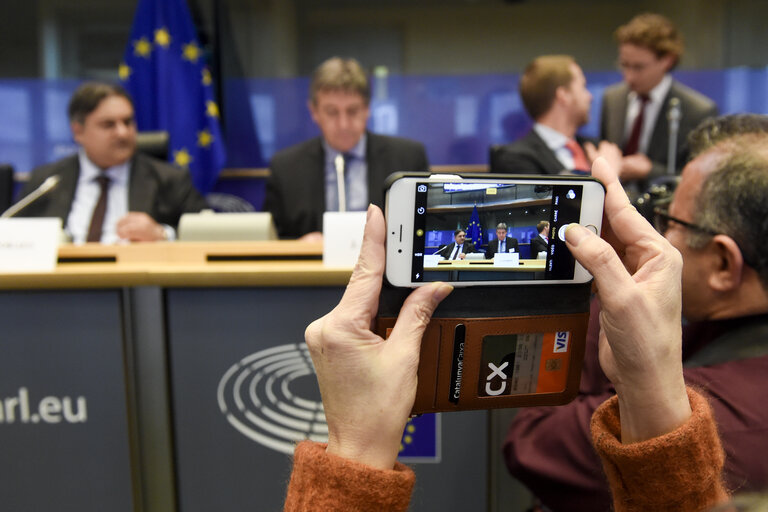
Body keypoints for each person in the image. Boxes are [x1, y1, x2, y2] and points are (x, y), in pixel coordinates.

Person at [283, 156, 730, 511]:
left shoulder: (523, 245)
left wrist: (353, 454)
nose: (499, 231)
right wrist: (655, 393)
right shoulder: (465, 242)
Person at [505, 114, 768, 511]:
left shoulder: (699, 409)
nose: (658, 235)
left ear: (722, 264)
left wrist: (608, 287)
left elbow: (533, 443)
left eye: (672, 222)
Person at [17, 82, 207, 243]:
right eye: (108, 125)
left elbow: (208, 233)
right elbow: (12, 236)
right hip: (59, 282)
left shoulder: (169, 179)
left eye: (127, 122)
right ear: (78, 132)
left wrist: (162, 234)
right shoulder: (47, 181)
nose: (123, 133)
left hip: (137, 280)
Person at [265, 57, 429, 240]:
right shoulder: (286, 167)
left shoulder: (407, 159)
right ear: (314, 112)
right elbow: (271, 240)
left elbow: (423, 232)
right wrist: (298, 247)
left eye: (352, 111)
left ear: (367, 109)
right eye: (332, 112)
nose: (343, 124)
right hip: (313, 267)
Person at [600, 13, 718, 196]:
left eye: (638, 67)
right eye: (624, 65)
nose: (628, 76)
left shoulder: (698, 111)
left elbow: (703, 179)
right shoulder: (612, 99)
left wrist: (651, 171)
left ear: (667, 60)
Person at [492, 55, 622, 175]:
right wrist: (609, 176)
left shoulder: (596, 148)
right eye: (583, 87)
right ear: (563, 95)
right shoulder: (514, 159)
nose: (590, 97)